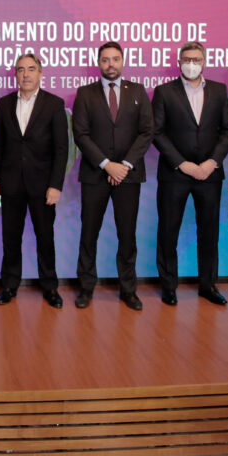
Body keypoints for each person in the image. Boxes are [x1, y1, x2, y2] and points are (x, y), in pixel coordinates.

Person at [71, 41, 154, 311]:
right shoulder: (85, 93)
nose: (110, 64)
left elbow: (146, 132)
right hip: (95, 175)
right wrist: (107, 165)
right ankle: (86, 288)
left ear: (123, 61)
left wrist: (125, 165)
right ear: (99, 63)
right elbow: (81, 135)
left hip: (128, 176)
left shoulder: (138, 91)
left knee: (126, 235)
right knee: (89, 233)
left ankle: (128, 289)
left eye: (115, 59)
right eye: (105, 60)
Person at [152, 41, 228, 306]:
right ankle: (169, 286)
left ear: (204, 62)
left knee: (208, 232)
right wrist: (181, 163)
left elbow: (227, 130)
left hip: (209, 174)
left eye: (197, 59)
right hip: (175, 174)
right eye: (187, 58)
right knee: (168, 231)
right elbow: (157, 131)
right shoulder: (164, 92)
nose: (191, 63)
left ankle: (208, 285)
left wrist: (212, 162)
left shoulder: (220, 91)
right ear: (179, 61)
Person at [0, 53, 68, 309]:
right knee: (10, 238)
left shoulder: (54, 104)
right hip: (11, 184)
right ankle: (9, 285)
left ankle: (50, 287)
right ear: (16, 74)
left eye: (31, 69)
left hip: (43, 186)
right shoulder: (3, 104)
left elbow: (61, 149)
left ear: (40, 73)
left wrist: (55, 185)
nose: (26, 74)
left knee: (45, 238)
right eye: (21, 70)